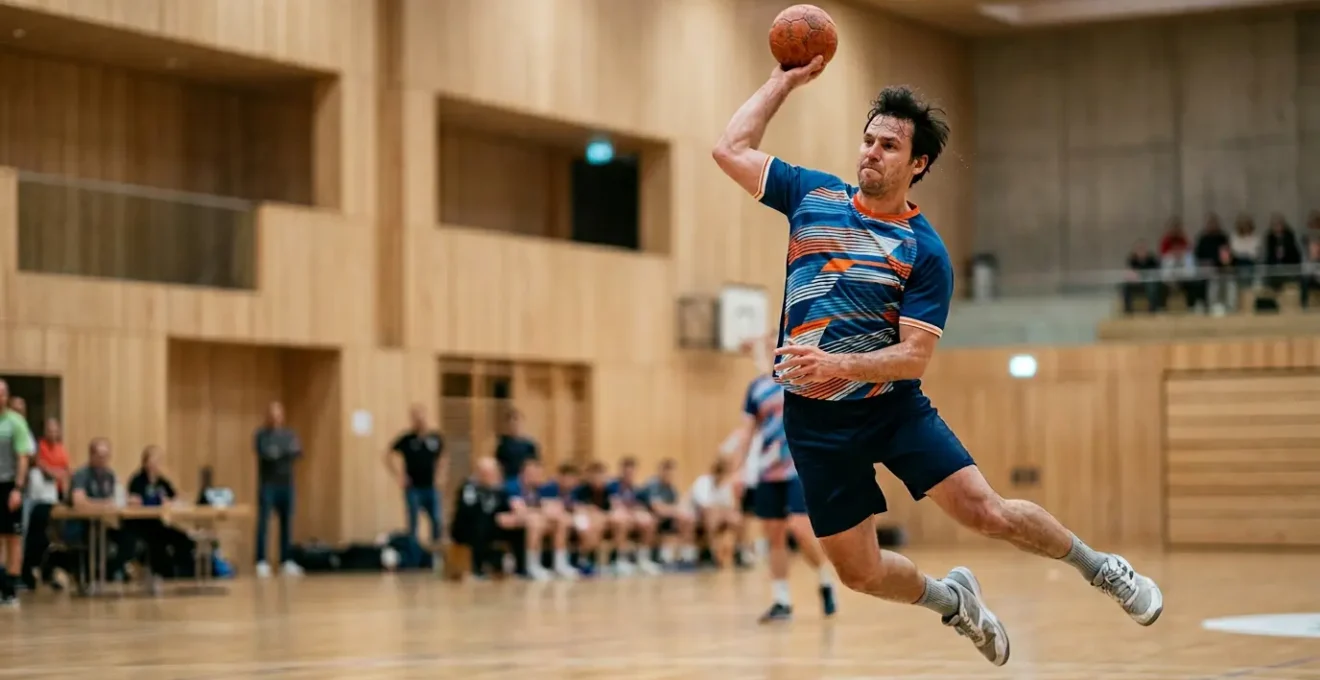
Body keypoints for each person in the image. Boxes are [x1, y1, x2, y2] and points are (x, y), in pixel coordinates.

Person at [711, 58, 1162, 666]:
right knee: (861, 574)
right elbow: (729, 147)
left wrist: (836, 365)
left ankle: (1101, 568)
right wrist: (783, 81)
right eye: (868, 140)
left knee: (988, 512)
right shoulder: (810, 194)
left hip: (891, 409)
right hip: (815, 423)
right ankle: (953, 604)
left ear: (917, 164)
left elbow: (913, 358)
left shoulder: (925, 252)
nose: (871, 152)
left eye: (889, 145)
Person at [723, 344, 836, 623]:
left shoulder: (801, 378)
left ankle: (824, 579)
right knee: (773, 535)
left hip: (799, 468)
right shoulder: (756, 389)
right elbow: (747, 433)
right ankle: (781, 600)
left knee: (799, 528)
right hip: (766, 471)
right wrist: (736, 472)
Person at [253, 401, 303, 578]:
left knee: (287, 523)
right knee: (263, 523)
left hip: (287, 484)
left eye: (278, 413)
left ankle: (286, 561)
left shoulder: (290, 435)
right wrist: (284, 452)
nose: (275, 417)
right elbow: (267, 454)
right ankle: (261, 561)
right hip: (268, 485)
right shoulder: (261, 435)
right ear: (268, 416)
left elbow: (297, 451)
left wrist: (279, 452)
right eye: (272, 413)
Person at [384, 404, 446, 544]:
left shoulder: (435, 438)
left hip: (431, 486)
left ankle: (435, 553)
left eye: (421, 416)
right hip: (413, 487)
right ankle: (413, 552)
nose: (419, 420)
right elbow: (389, 455)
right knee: (413, 521)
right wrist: (399, 475)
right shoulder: (407, 439)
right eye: (415, 417)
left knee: (436, 520)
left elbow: (442, 457)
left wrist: (440, 475)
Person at [0, 380, 34, 606]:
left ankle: (11, 587)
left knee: (13, 538)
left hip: (9, 485)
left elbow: (23, 457)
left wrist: (18, 489)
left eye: (2, 394)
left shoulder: (16, 422)